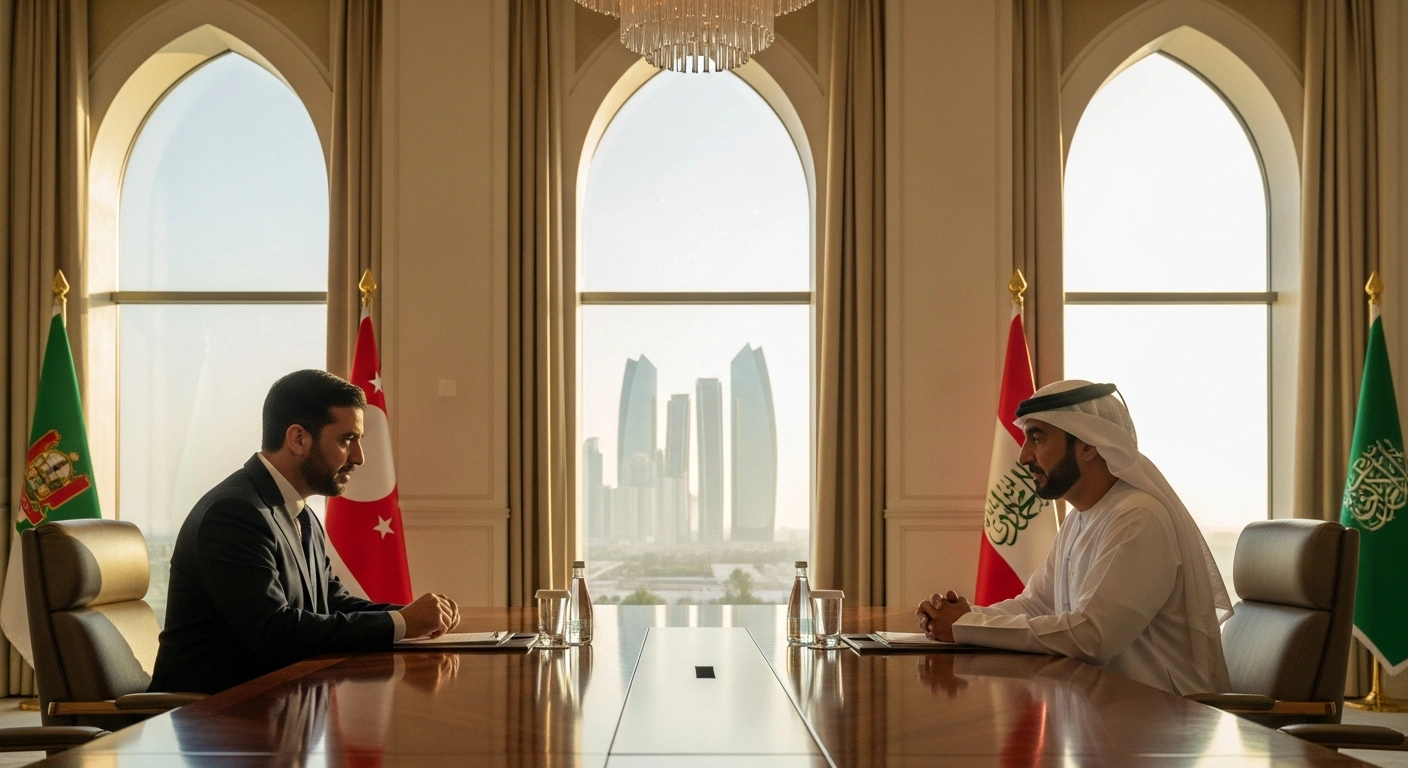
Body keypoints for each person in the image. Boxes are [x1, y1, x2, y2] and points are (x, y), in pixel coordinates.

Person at [151, 369, 461, 694]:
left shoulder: (302, 514)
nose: (359, 457)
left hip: (272, 711)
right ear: (298, 439)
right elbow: (276, 633)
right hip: (207, 722)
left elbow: (332, 603)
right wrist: (403, 624)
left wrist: (411, 616)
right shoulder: (234, 513)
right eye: (347, 440)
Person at [916, 380, 1232, 695]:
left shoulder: (1138, 518)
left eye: (1037, 438)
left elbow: (1092, 637)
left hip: (1164, 726)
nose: (1024, 457)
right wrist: (965, 616)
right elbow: (1036, 605)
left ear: (1089, 445)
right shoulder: (1079, 519)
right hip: (1108, 718)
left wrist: (965, 626)